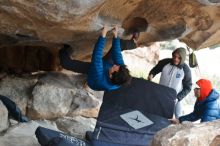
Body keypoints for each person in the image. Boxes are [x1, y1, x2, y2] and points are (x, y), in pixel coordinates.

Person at [59, 25, 131, 91]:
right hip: (106, 67)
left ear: (111, 75)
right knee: (119, 46)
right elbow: (117, 54)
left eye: (115, 67)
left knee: (65, 63)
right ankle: (133, 42)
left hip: (94, 75)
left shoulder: (99, 78)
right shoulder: (120, 72)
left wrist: (103, 34)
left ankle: (66, 49)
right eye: (118, 65)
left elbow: (97, 57)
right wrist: (116, 36)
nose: (116, 64)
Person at [148, 47, 192, 118]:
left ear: (182, 58)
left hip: (176, 97)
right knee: (158, 113)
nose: (175, 59)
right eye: (174, 56)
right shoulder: (165, 62)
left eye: (178, 58)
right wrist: (151, 75)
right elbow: (155, 70)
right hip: (161, 94)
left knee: (178, 116)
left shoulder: (186, 70)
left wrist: (178, 98)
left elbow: (188, 88)